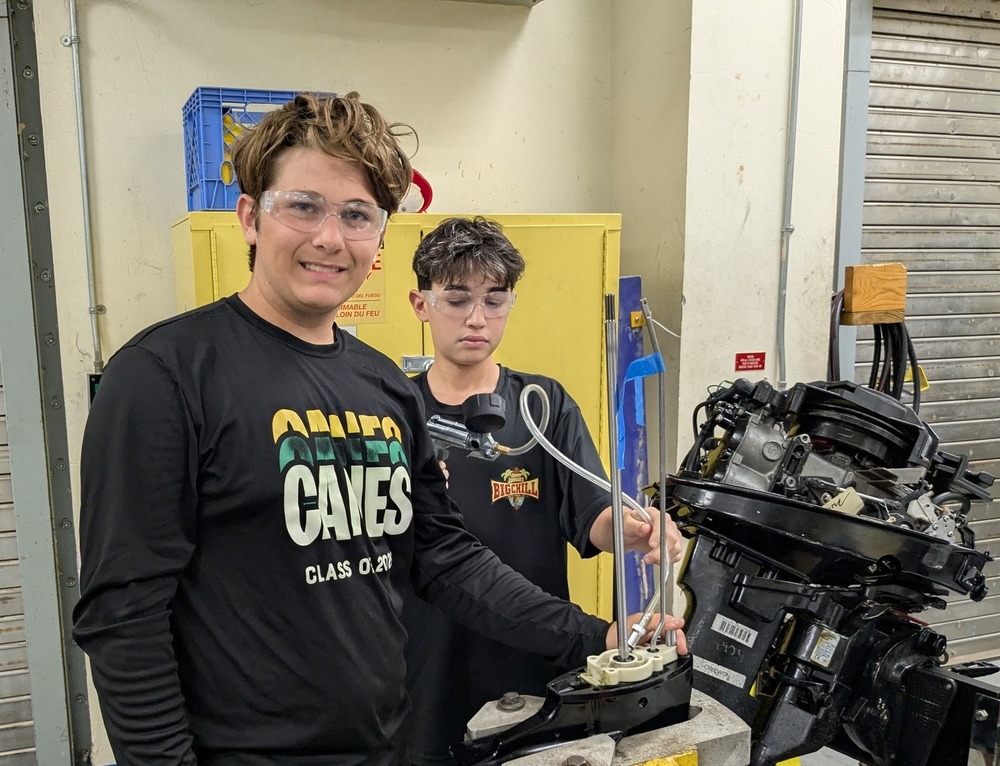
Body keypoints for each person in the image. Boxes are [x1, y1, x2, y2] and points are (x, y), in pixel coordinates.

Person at [71, 92, 684, 766]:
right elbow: (123, 616)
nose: (330, 238)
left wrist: (601, 639)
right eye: (302, 206)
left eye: (357, 215)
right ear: (250, 217)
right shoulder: (164, 375)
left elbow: (444, 558)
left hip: (384, 745)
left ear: (380, 237)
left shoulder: (384, 385)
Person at [403, 216, 685, 766]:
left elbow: (592, 511)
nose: (477, 319)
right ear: (421, 304)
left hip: (533, 654)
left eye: (495, 300)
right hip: (425, 661)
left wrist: (634, 528)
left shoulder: (541, 405)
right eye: (457, 300)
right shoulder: (396, 409)